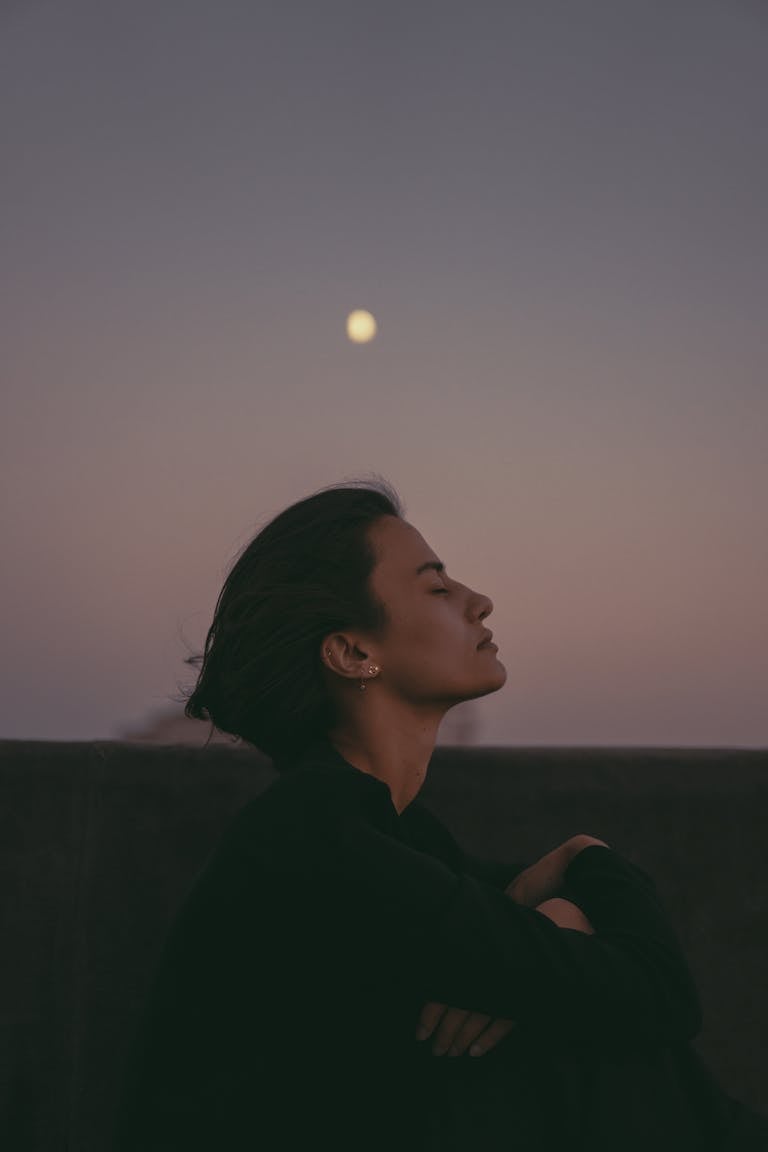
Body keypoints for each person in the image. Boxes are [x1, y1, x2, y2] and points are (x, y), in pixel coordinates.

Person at [114, 476, 768, 1151]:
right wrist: (583, 858)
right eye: (436, 588)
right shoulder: (314, 840)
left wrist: (566, 911)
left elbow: (566, 954)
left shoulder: (391, 833)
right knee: (592, 1037)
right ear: (353, 652)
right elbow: (657, 994)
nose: (480, 603)